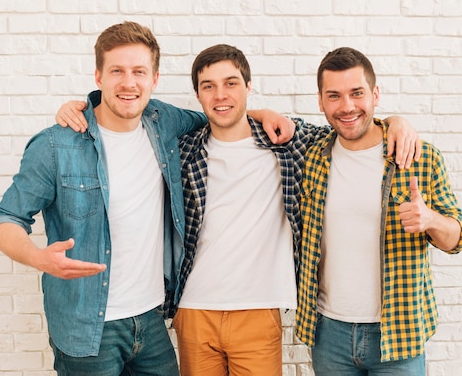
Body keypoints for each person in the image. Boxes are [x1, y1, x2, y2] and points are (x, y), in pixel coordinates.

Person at [57, 43, 420, 376]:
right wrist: (82, 106)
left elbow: (348, 127)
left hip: (258, 309)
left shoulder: (287, 143)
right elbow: (129, 111)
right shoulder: (181, 150)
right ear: (197, 94)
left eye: (230, 83)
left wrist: (395, 122)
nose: (220, 95)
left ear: (248, 86)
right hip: (194, 309)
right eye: (208, 86)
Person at [0, 21, 292, 376]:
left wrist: (264, 113)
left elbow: (220, 114)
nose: (129, 83)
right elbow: (4, 219)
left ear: (154, 79)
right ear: (98, 76)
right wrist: (39, 257)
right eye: (117, 71)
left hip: (151, 321)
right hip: (88, 327)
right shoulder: (57, 144)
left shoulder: (163, 123)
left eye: (139, 72)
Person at [296, 47, 462, 375]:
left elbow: (456, 238)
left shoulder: (419, 156)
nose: (347, 106)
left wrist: (429, 219)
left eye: (357, 93)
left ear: (375, 94)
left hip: (398, 333)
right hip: (328, 332)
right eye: (334, 96)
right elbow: (261, 122)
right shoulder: (314, 156)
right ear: (320, 102)